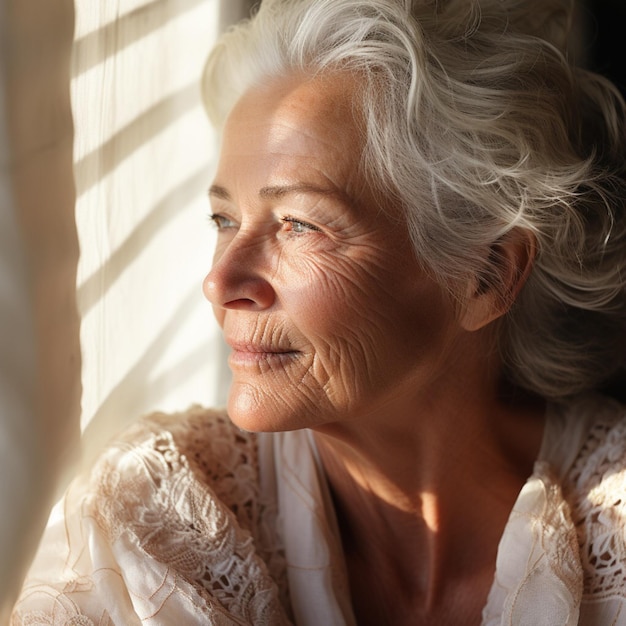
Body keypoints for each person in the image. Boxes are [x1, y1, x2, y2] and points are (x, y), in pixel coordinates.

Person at [10, 0, 626, 624]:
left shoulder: (612, 523)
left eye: (299, 225)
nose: (220, 280)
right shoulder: (148, 527)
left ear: (486, 275)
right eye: (224, 219)